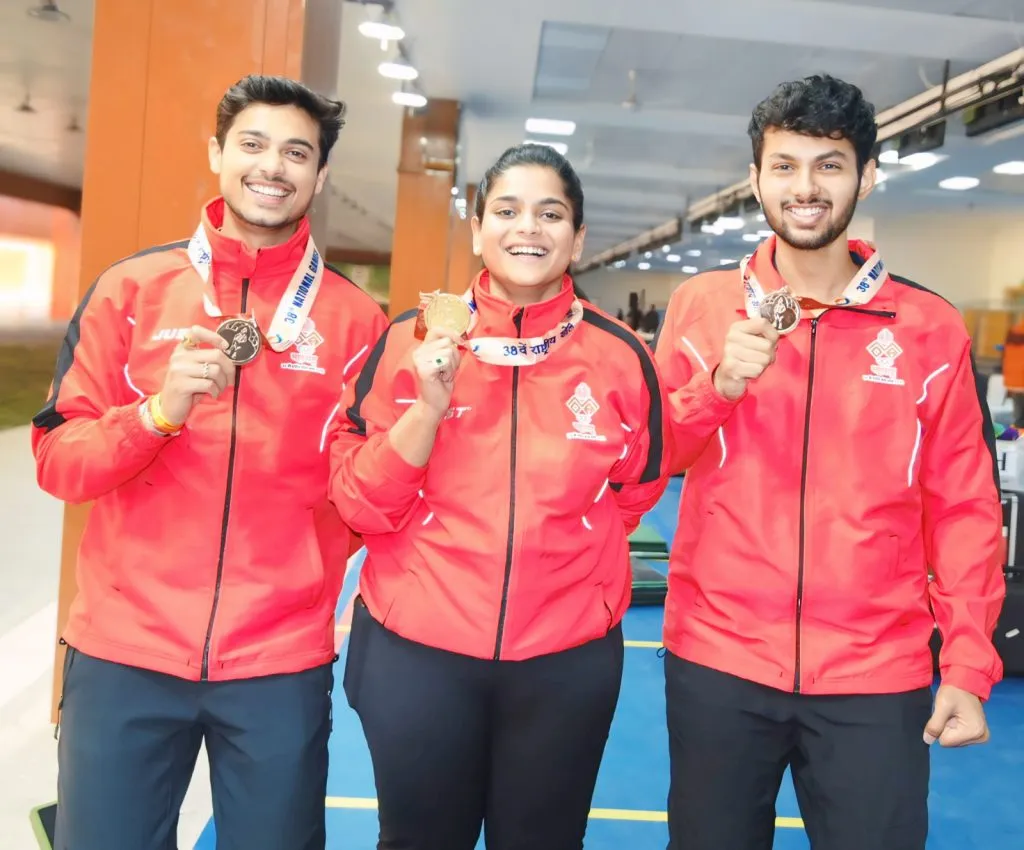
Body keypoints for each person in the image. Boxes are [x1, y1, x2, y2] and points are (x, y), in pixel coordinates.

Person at [31, 74, 388, 850]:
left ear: (320, 175)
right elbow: (60, 461)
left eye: (297, 152)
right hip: (126, 648)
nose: (274, 167)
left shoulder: (359, 323)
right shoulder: (131, 290)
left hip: (277, 660)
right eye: (253, 145)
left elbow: (365, 493)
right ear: (218, 153)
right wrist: (154, 415)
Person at [655, 74, 1005, 850]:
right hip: (720, 658)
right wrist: (716, 388)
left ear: (866, 175)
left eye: (829, 164)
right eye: (784, 166)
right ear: (755, 178)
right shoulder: (704, 307)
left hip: (876, 674)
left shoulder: (930, 328)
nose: (804, 187)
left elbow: (965, 507)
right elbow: (654, 462)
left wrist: (970, 662)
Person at [326, 142, 672, 849]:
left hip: (564, 659)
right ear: (478, 228)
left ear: (577, 238)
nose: (529, 229)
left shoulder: (622, 358)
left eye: (552, 214)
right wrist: (425, 410)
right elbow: (360, 505)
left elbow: (635, 489)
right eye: (508, 210)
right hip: (418, 651)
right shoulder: (407, 344)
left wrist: (565, 555)